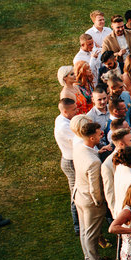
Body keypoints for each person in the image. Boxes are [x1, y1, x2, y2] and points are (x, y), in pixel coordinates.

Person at [73, 120, 111, 260]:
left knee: (84, 230)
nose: (101, 135)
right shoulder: (94, 162)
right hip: (90, 201)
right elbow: (95, 187)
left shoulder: (79, 147)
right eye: (98, 134)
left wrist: (98, 151)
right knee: (91, 234)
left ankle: (89, 258)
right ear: (91, 138)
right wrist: (100, 202)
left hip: (79, 195)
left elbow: (86, 156)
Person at [55, 98, 81, 236]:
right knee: (75, 194)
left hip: (71, 159)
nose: (77, 111)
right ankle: (77, 226)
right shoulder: (64, 127)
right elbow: (79, 139)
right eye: (73, 110)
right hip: (70, 162)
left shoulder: (62, 119)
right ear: (65, 112)